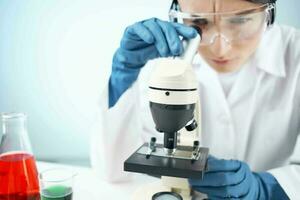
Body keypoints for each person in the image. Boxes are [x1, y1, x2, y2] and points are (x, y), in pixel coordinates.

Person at [91, 0, 300, 199]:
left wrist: (268, 188)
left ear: (269, 14)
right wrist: (121, 77)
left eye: (240, 21)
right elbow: (111, 170)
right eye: (198, 23)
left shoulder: (295, 53)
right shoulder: (159, 61)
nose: (220, 49)